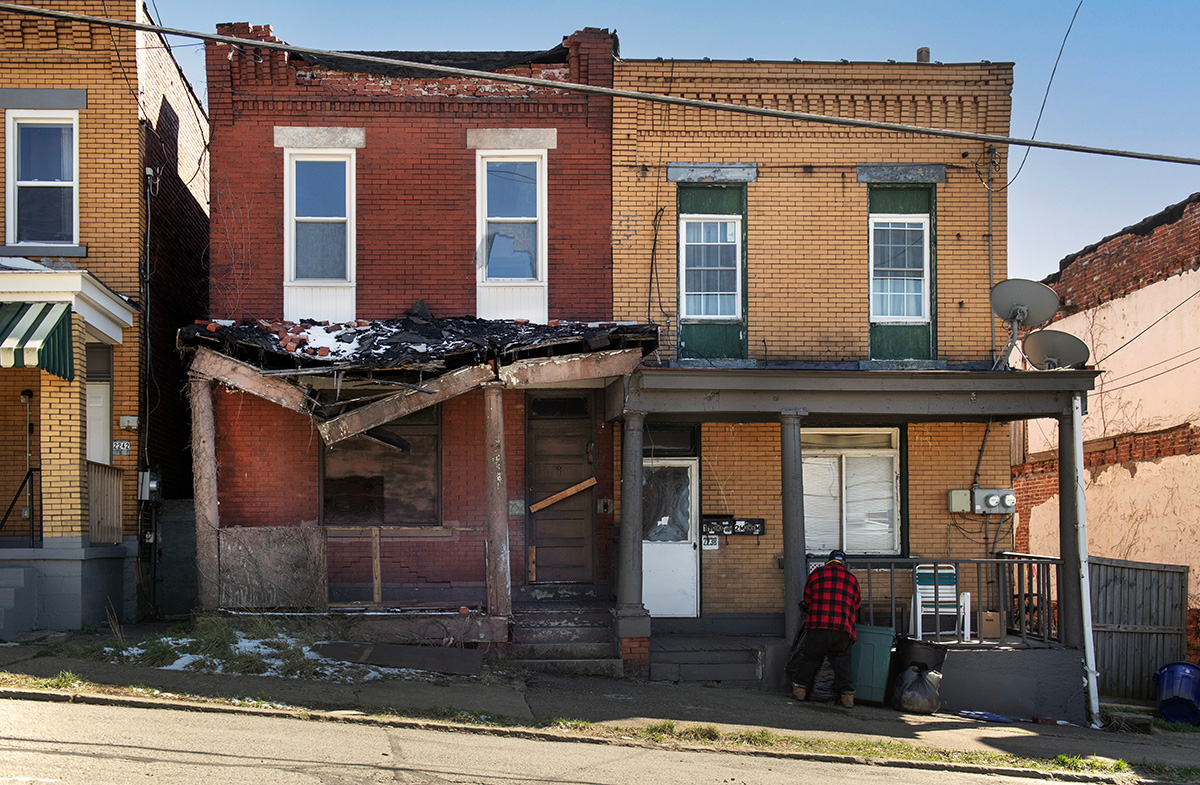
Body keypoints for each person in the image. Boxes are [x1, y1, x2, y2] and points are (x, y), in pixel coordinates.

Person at [786, 549, 861, 707]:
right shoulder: (852, 579)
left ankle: (799, 691)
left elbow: (807, 600)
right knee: (842, 663)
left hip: (817, 625)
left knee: (810, 659)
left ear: (829, 561)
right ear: (843, 563)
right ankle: (847, 698)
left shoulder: (816, 574)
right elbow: (857, 604)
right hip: (842, 628)